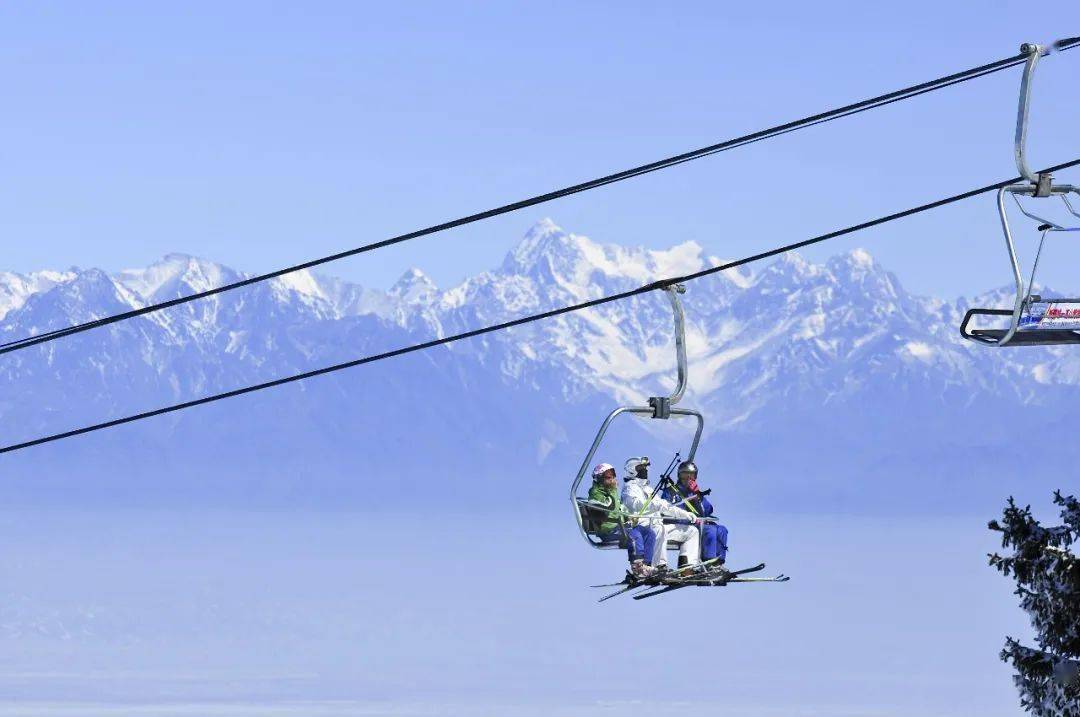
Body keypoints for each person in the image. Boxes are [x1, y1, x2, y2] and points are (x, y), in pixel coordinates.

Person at [620, 456, 701, 570]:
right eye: (641, 468)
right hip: (642, 527)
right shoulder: (630, 488)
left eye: (646, 467)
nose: (645, 470)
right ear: (632, 470)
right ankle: (659, 566)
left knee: (692, 531)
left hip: (657, 524)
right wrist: (655, 505)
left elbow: (664, 505)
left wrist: (685, 514)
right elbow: (634, 504)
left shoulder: (648, 488)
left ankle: (687, 568)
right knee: (659, 529)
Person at [588, 463, 657, 577]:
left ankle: (646, 565)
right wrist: (614, 490)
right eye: (608, 477)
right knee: (634, 534)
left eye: (613, 476)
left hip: (617, 526)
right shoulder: (596, 493)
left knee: (649, 533)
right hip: (608, 530)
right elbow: (610, 508)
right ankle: (637, 566)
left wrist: (628, 516)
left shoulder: (607, 492)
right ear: (599, 478)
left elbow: (620, 507)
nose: (612, 480)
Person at [662, 460, 729, 565]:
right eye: (685, 474)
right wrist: (690, 518)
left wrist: (698, 496)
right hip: (682, 524)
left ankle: (718, 562)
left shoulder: (695, 492)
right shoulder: (671, 491)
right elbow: (669, 510)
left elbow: (707, 510)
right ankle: (708, 562)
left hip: (699, 523)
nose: (688, 478)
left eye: (691, 475)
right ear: (679, 476)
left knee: (721, 530)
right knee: (710, 531)